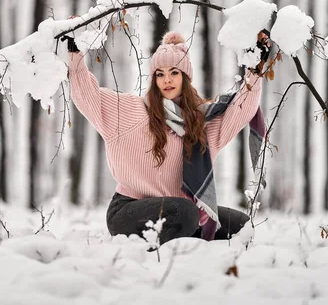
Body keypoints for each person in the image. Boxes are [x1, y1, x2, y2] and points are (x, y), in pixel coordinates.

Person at [65, 30, 269, 245]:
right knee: (185, 212)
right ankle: (171, 251)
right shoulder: (131, 111)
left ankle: (188, 239)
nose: (167, 80)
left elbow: (242, 110)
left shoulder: (201, 123)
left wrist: (255, 69)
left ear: (185, 77)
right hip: (128, 210)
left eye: (174, 72)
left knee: (241, 225)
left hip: (180, 210)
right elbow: (88, 96)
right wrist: (75, 51)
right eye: (160, 74)